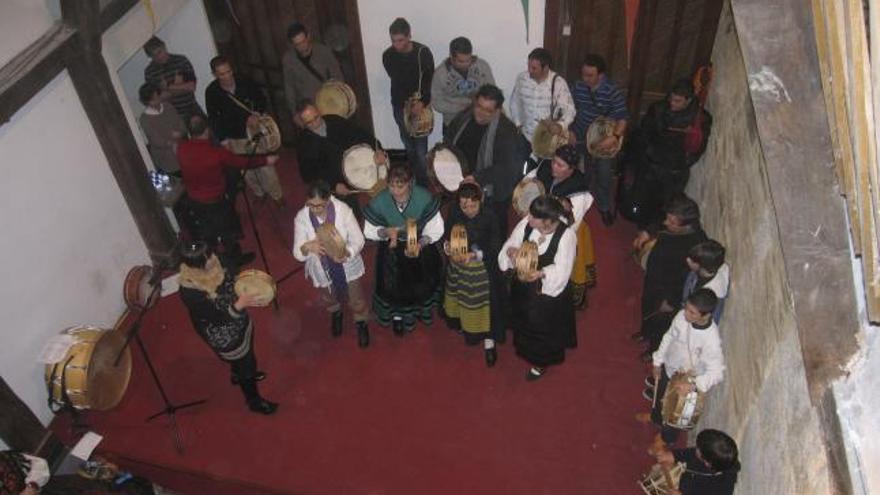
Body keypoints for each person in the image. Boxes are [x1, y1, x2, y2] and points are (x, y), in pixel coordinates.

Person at [177, 241, 278, 415]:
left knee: (246, 348)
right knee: (244, 359)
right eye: (206, 258)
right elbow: (216, 318)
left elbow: (235, 276)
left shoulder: (218, 261)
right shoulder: (190, 291)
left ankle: (238, 373)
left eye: (209, 253)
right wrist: (240, 304)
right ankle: (254, 401)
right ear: (196, 265)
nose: (212, 258)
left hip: (238, 318)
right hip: (221, 331)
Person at [177, 115, 279, 270]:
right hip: (215, 200)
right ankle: (234, 260)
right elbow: (241, 162)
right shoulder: (216, 153)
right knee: (227, 231)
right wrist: (266, 160)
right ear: (207, 130)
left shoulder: (182, 148)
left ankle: (213, 262)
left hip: (195, 200)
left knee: (207, 233)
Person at [499, 195, 577, 380]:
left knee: (542, 328)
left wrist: (542, 273)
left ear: (549, 221)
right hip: (524, 289)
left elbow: (563, 270)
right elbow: (512, 241)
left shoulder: (566, 237)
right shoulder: (528, 223)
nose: (528, 217)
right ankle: (525, 347)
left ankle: (540, 362)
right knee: (524, 320)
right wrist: (511, 251)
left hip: (546, 296)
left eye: (534, 217)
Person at [363, 163, 444, 334]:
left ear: (410, 183)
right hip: (392, 251)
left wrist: (421, 243)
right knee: (394, 287)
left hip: (419, 248)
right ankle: (398, 316)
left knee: (420, 283)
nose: (396, 191)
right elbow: (369, 231)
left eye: (401, 186)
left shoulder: (423, 197)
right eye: (392, 186)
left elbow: (436, 227)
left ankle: (422, 311)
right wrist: (385, 231)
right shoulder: (381, 200)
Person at [292, 181, 370, 347]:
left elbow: (359, 239)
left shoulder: (343, 211)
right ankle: (335, 311)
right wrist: (307, 247)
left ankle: (361, 320)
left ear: (328, 200)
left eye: (319, 206)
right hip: (321, 267)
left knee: (355, 295)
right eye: (310, 204)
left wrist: (347, 253)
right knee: (328, 295)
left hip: (346, 264)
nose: (314, 209)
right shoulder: (302, 217)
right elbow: (298, 254)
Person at [633, 194, 708, 360]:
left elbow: (687, 279)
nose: (666, 223)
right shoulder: (674, 224)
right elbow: (660, 223)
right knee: (648, 307)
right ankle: (645, 332)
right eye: (668, 219)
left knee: (662, 323)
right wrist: (648, 232)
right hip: (654, 279)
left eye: (672, 222)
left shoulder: (696, 245)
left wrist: (672, 301)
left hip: (668, 291)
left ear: (685, 225)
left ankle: (654, 349)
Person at [645, 289, 725, 445]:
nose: (686, 314)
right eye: (686, 308)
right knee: (659, 396)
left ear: (706, 315)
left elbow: (716, 373)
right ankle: (655, 418)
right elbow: (669, 336)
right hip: (669, 368)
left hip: (685, 382)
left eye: (692, 313)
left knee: (675, 411)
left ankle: (666, 441)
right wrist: (657, 361)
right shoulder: (682, 316)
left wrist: (693, 385)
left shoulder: (712, 340)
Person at [444, 84, 523, 235]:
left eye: (488, 111)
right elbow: (449, 138)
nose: (480, 113)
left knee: (491, 235)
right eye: (479, 106)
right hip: (463, 181)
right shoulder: (464, 117)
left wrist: (476, 177)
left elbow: (506, 168)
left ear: (497, 111)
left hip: (492, 192)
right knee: (458, 228)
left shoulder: (506, 131)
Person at [205, 56, 284, 206]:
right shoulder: (212, 92)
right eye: (222, 74)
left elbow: (261, 99)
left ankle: (276, 195)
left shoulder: (245, 81)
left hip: (255, 132)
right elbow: (214, 118)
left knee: (266, 165)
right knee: (246, 169)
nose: (227, 76)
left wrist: (257, 113)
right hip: (234, 136)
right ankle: (259, 193)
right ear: (215, 74)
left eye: (229, 71)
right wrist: (223, 140)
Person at [523, 144, 595, 307]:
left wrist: (544, 229)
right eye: (554, 161)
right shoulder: (545, 168)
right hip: (542, 221)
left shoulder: (579, 191)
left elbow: (571, 224)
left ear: (571, 170)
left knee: (564, 264)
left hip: (567, 230)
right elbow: (529, 179)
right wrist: (528, 185)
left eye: (560, 165)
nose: (554, 166)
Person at [442, 183, 505, 366]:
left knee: (488, 307)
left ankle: (489, 340)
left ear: (481, 201)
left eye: (473, 205)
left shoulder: (491, 216)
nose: (469, 210)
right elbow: (448, 234)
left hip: (484, 269)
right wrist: (448, 247)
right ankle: (465, 324)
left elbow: (495, 243)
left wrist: (475, 255)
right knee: (462, 299)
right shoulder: (454, 213)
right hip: (460, 268)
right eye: (464, 206)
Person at [294, 99, 387, 218]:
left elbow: (362, 134)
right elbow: (308, 174)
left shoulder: (334, 121)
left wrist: (378, 149)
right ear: (303, 123)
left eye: (316, 117)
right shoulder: (304, 143)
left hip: (356, 166)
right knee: (349, 216)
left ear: (319, 110)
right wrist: (333, 185)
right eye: (309, 123)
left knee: (384, 191)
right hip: (334, 181)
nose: (315, 124)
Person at [637, 78, 713, 224]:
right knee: (647, 198)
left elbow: (700, 146)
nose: (672, 103)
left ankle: (659, 231)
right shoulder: (658, 109)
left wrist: (683, 162)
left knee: (669, 204)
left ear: (689, 100)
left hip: (675, 169)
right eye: (671, 99)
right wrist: (649, 152)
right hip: (654, 162)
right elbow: (645, 131)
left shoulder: (701, 118)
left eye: (677, 101)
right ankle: (644, 228)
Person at [570, 54, 628, 226]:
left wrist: (615, 137)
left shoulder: (612, 90)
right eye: (583, 74)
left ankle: (603, 206)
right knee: (582, 172)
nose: (585, 79)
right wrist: (569, 131)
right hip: (580, 135)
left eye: (590, 75)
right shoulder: (578, 87)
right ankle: (581, 204)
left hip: (603, 139)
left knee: (603, 175)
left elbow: (623, 117)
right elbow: (568, 109)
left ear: (600, 75)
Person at [382, 18, 435, 186]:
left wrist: (422, 102)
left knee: (421, 150)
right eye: (393, 40)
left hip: (420, 105)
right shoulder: (388, 55)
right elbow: (397, 79)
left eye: (400, 40)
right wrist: (407, 105)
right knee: (409, 146)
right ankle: (414, 177)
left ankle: (424, 183)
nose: (396, 45)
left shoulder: (423, 53)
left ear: (409, 36)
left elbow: (430, 80)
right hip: (399, 105)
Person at [509, 48, 575, 162]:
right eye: (528, 66)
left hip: (548, 140)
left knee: (546, 173)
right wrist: (518, 123)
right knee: (524, 172)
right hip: (526, 137)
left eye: (534, 68)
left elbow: (569, 110)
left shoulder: (558, 83)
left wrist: (560, 125)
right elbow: (514, 102)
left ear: (545, 68)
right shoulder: (522, 79)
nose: (529, 70)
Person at [430, 37, 495, 128]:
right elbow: (436, 103)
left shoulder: (482, 66)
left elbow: (493, 93)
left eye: (468, 60)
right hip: (454, 122)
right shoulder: (440, 74)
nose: (466, 64)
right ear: (451, 57)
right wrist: (462, 107)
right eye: (461, 61)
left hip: (482, 120)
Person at [654, 429, 740, 495]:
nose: (696, 448)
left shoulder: (723, 488)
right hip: (688, 479)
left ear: (708, 463)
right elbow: (691, 453)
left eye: (698, 449)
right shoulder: (714, 455)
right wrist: (673, 455)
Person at [282, 22, 345, 112]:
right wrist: (294, 112)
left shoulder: (324, 52)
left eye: (303, 41)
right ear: (292, 45)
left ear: (308, 37)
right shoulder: (288, 60)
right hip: (306, 108)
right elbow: (289, 87)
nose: (302, 46)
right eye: (297, 44)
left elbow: (338, 78)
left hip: (328, 103)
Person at [143, 36, 204, 120]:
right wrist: (180, 86)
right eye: (154, 56)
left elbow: (191, 87)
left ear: (164, 47)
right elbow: (158, 99)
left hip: (192, 109)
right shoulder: (149, 72)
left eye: (160, 52)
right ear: (150, 57)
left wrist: (168, 86)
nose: (159, 57)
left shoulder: (181, 61)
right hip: (171, 117)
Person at [138, 82, 186, 176]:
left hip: (183, 150)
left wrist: (180, 132)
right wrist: (171, 142)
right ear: (147, 101)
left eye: (157, 97)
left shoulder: (168, 106)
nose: (156, 101)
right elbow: (156, 140)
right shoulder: (145, 118)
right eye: (153, 99)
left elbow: (180, 123)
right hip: (166, 158)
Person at [682, 240, 729, 323]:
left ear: (702, 266)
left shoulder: (713, 296)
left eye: (692, 260)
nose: (687, 260)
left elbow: (709, 322)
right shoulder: (705, 269)